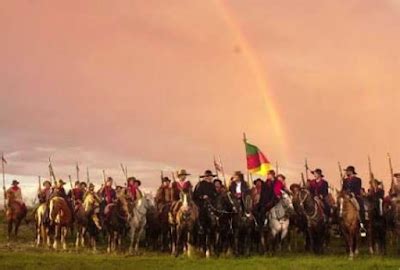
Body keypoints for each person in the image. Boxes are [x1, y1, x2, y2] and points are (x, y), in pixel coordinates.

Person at [341, 166, 366, 235]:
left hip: (354, 196)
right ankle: (340, 223)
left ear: (351, 171)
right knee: (340, 206)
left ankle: (362, 225)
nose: (346, 172)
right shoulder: (345, 180)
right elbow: (343, 189)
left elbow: (358, 189)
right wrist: (344, 193)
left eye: (347, 171)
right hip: (346, 197)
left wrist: (352, 194)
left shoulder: (358, 179)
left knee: (359, 207)